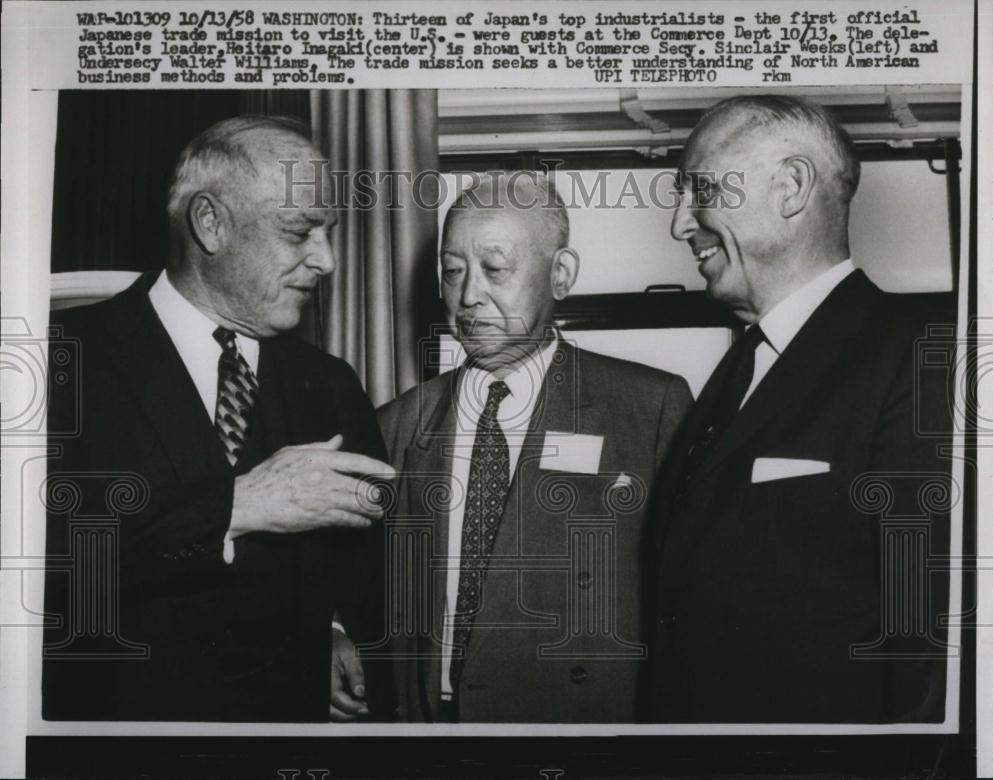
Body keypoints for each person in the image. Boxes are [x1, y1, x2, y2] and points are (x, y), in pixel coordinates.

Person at [43, 116, 394, 722]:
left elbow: (364, 567)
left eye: (329, 232)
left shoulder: (331, 384)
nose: (327, 260)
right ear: (210, 223)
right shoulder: (56, 361)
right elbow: (39, 570)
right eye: (300, 232)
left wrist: (335, 627)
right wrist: (237, 505)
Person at [645, 95, 953, 722]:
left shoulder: (921, 358)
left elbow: (932, 643)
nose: (680, 223)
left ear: (790, 187)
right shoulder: (738, 372)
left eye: (698, 189)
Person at [377, 173, 693, 723]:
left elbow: (689, 602)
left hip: (577, 729)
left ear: (561, 274)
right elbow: (352, 577)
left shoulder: (651, 407)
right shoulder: (398, 423)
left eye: (495, 269)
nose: (469, 295)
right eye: (453, 272)